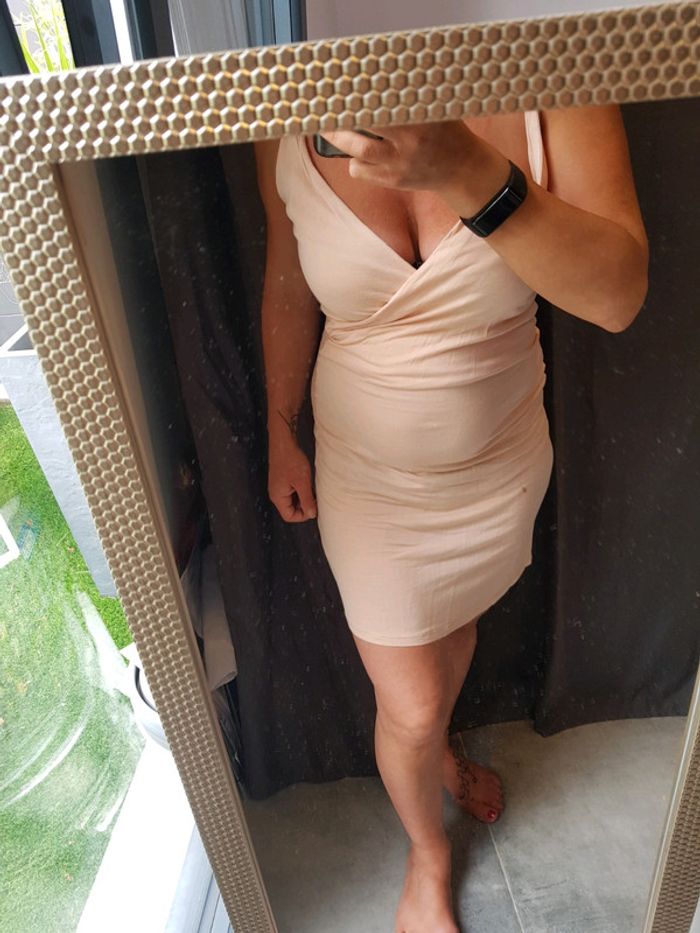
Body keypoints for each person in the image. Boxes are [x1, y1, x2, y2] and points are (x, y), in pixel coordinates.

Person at [254, 105, 648, 933]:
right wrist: (281, 426)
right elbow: (288, 273)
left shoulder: (557, 71)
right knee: (410, 702)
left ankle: (435, 749)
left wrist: (469, 172)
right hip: (368, 480)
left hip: (498, 465)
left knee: (454, 632)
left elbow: (617, 295)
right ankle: (428, 852)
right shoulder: (283, 93)